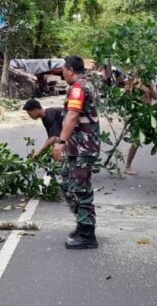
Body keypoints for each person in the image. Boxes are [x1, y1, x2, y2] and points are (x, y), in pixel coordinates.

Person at [53, 55, 100, 249]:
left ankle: (88, 235)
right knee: (67, 183)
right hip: (78, 148)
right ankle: (83, 224)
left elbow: (72, 115)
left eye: (63, 69)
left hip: (83, 147)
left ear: (70, 69)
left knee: (80, 188)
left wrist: (60, 141)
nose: (62, 72)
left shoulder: (78, 88)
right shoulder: (83, 85)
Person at [122, 76, 157, 178]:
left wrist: (150, 86)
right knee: (136, 142)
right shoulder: (131, 82)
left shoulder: (149, 82)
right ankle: (127, 166)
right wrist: (126, 117)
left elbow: (155, 96)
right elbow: (126, 100)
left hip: (150, 115)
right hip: (138, 116)